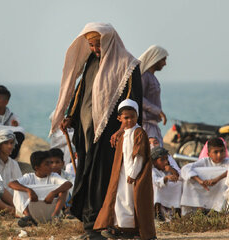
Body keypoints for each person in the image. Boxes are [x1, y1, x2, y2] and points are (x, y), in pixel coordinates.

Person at [50, 22, 143, 237]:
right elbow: (81, 91)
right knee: (87, 176)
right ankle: (89, 224)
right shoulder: (92, 61)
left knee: (105, 179)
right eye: (91, 45)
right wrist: (70, 116)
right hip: (86, 132)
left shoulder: (128, 64)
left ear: (109, 41)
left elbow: (132, 102)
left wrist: (122, 128)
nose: (94, 49)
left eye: (97, 45)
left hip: (110, 135)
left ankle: (102, 225)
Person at [94, 99, 155, 240]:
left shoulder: (138, 132)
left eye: (132, 117)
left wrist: (133, 173)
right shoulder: (124, 134)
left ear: (137, 117)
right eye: (126, 118)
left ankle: (137, 231)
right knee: (120, 200)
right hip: (122, 174)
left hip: (134, 175)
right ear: (119, 118)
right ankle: (121, 228)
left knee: (134, 201)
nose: (129, 120)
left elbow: (139, 156)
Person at [9, 151, 72, 227]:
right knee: (18, 190)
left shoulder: (53, 176)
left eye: (50, 163)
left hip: (49, 213)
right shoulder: (29, 177)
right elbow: (11, 184)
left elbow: (69, 184)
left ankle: (55, 216)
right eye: (47, 164)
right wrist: (29, 190)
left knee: (64, 189)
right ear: (37, 167)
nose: (51, 166)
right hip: (33, 212)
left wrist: (53, 193)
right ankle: (28, 217)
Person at [180, 138, 229, 215]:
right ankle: (198, 209)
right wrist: (200, 181)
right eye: (216, 152)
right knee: (189, 178)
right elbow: (185, 168)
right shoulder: (204, 161)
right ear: (209, 154)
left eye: (222, 151)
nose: (219, 155)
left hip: (220, 194)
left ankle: (218, 211)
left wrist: (217, 179)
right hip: (205, 189)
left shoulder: (228, 162)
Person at [138, 45, 168, 146]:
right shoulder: (144, 76)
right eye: (163, 60)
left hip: (152, 124)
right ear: (156, 59)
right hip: (146, 124)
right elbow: (139, 98)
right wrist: (158, 111)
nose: (165, 64)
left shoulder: (152, 77)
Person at [151, 147, 181, 221]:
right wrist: (166, 178)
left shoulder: (167, 169)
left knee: (180, 185)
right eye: (162, 160)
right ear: (154, 162)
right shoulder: (152, 171)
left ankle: (177, 212)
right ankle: (157, 214)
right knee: (158, 188)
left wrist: (171, 170)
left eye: (166, 159)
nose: (166, 162)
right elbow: (156, 181)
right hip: (156, 194)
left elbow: (178, 176)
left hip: (169, 194)